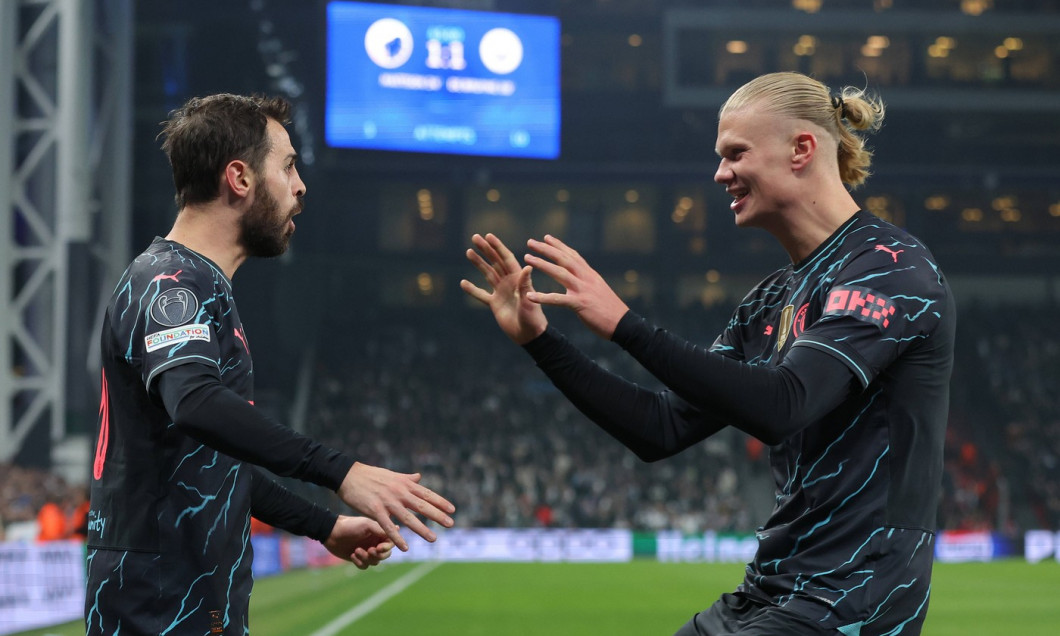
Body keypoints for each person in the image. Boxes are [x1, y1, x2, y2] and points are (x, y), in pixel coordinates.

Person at [462, 72, 955, 635]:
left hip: (852, 600)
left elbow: (783, 406)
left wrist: (626, 326)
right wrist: (541, 342)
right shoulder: (769, 299)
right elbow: (661, 427)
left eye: (735, 153)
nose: (720, 174)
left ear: (801, 149)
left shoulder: (889, 267)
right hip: (771, 590)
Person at [86, 93, 456, 635]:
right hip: (159, 604)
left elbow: (211, 464)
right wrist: (339, 471)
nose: (300, 186)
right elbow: (194, 403)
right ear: (239, 178)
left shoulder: (200, 283)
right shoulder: (169, 283)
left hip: (190, 596)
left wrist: (322, 525)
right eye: (287, 165)